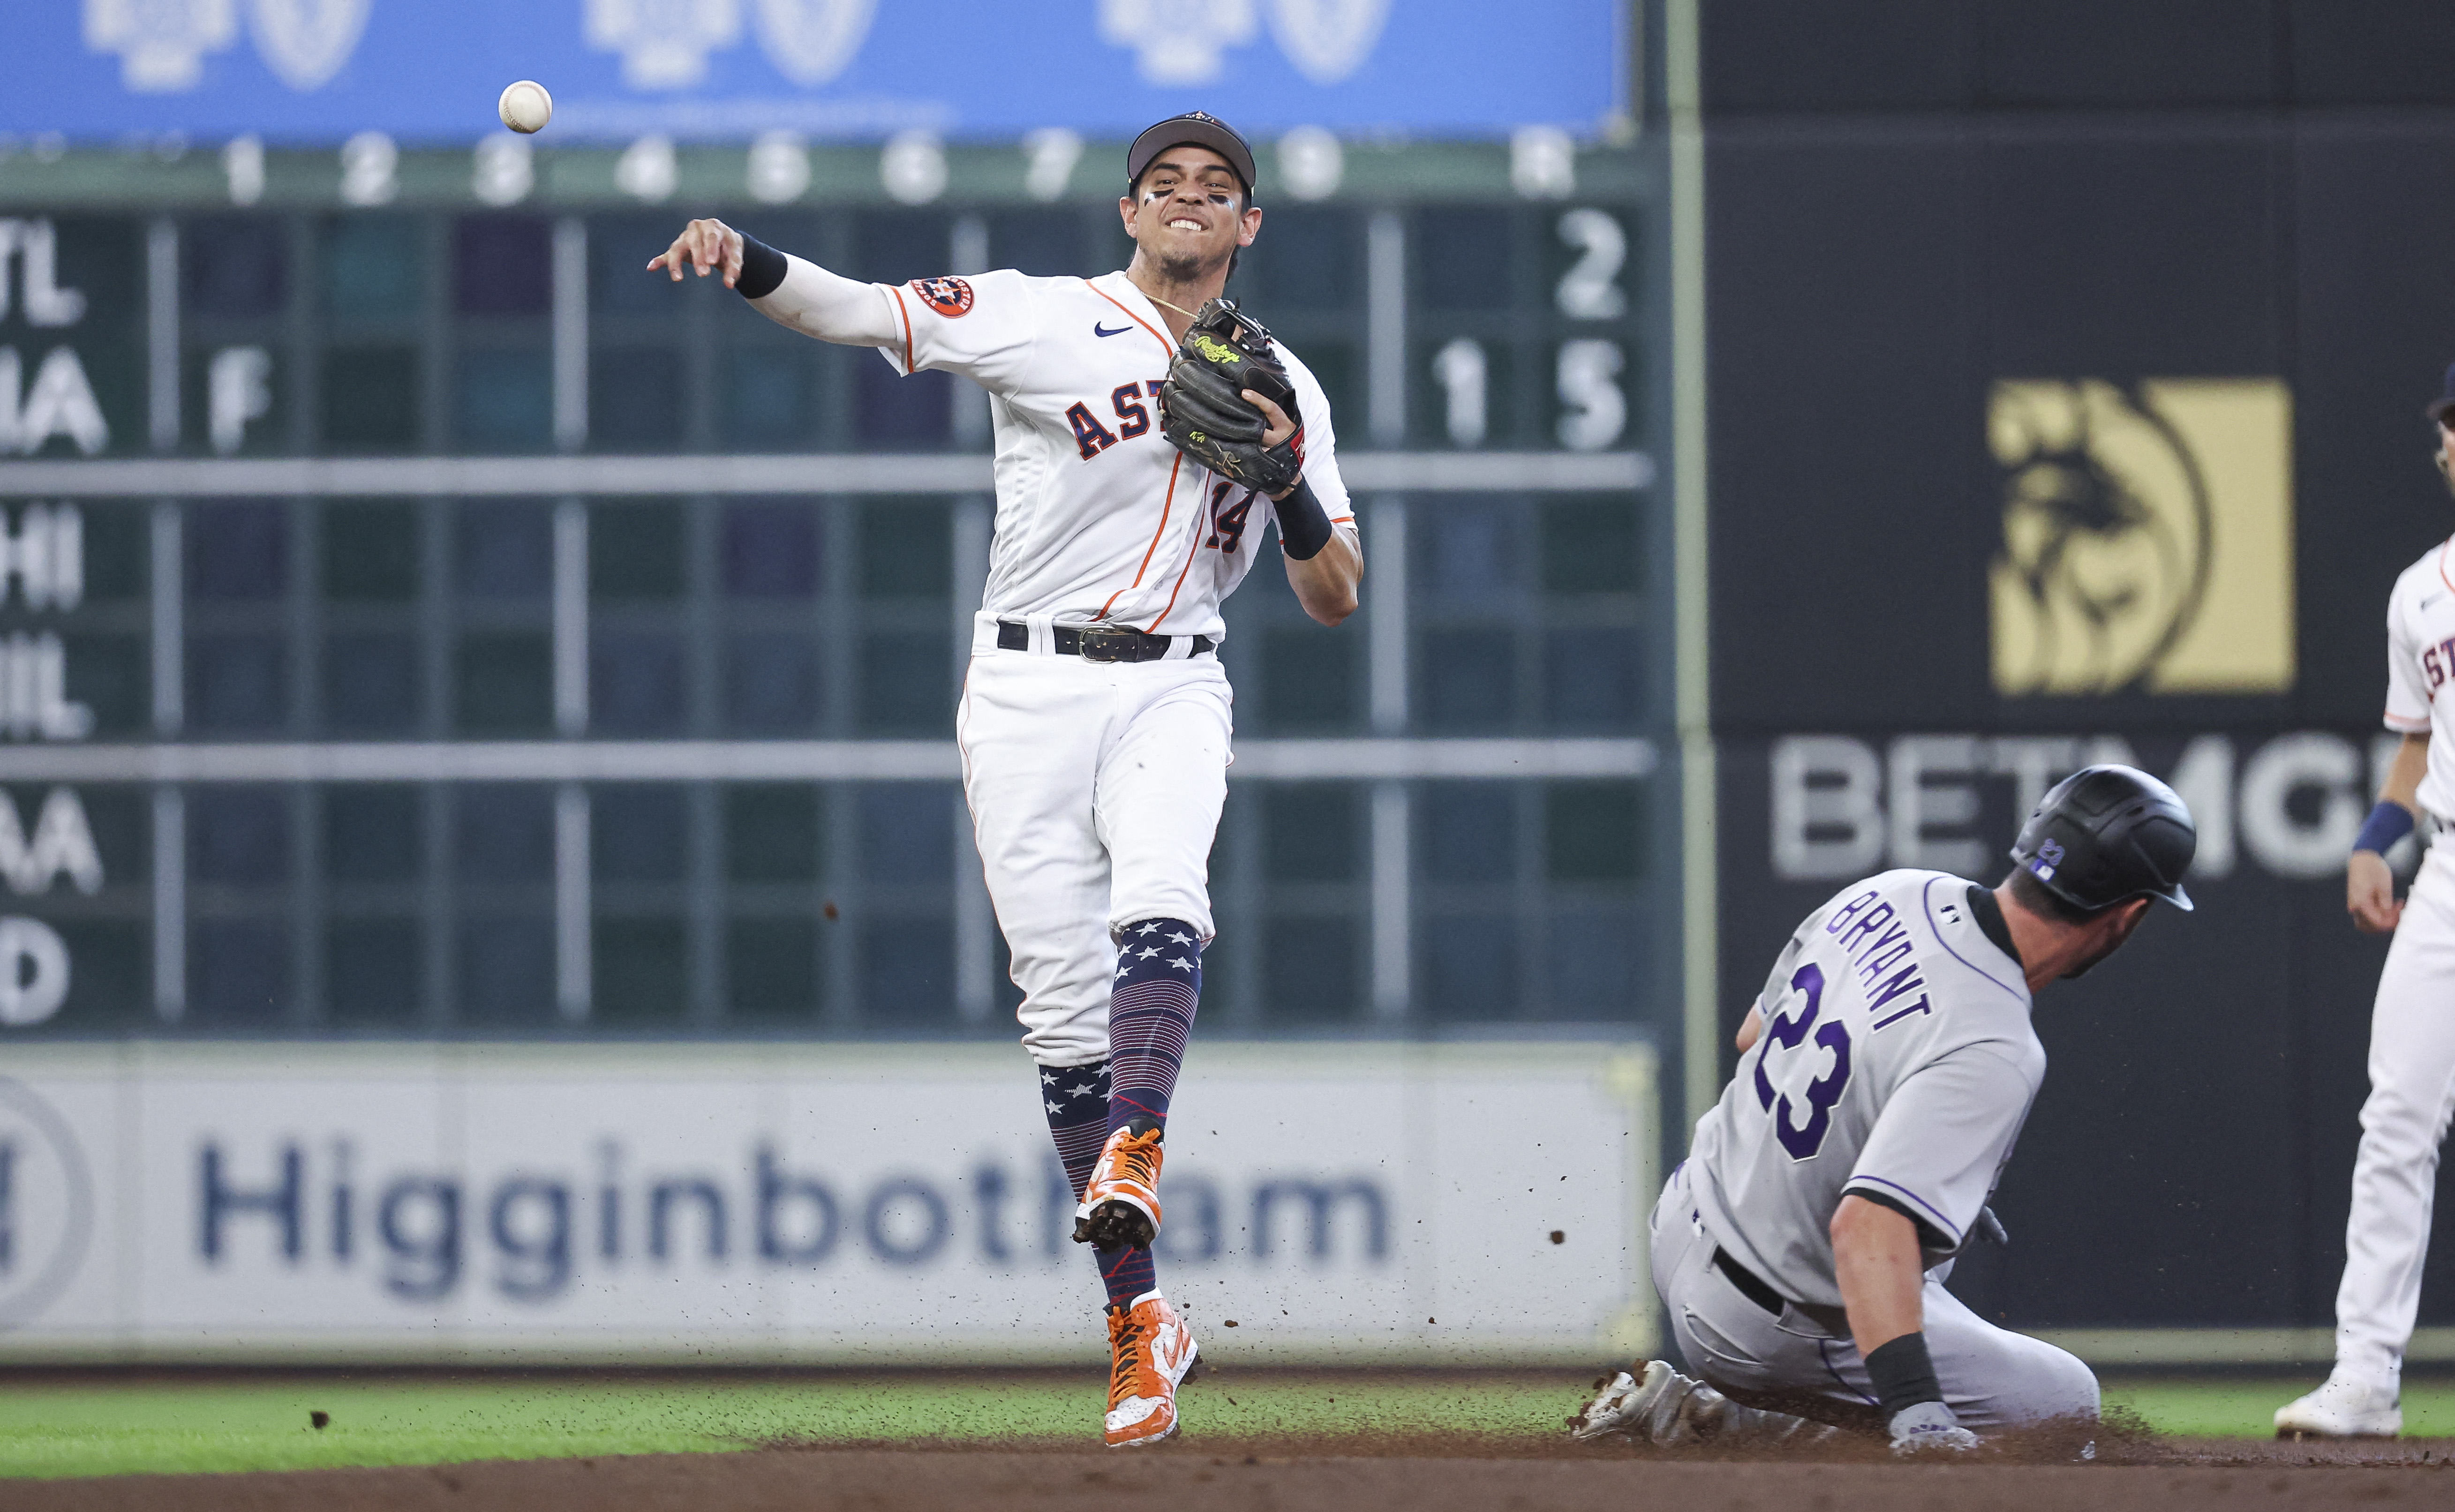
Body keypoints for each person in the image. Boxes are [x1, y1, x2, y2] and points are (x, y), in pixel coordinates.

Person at [648, 112, 1362, 1449]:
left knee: (1162, 889)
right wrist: (743, 255)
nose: (1192, 204)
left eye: (1218, 190)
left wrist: (1289, 487)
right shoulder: (1044, 318)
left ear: (1249, 224)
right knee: (1056, 1012)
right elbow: (858, 312)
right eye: (1167, 187)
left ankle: (1133, 1156)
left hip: (1171, 674)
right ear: (1129, 212)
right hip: (1023, 687)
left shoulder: (1289, 388)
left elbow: (1335, 596)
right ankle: (1139, 1327)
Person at [1573, 766, 2196, 1454]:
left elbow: (1755, 1035)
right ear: (2130, 913)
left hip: (1682, 1220)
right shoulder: (1997, 1043)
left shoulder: (1893, 891)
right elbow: (1866, 1228)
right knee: (2063, 1404)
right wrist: (1917, 1412)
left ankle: (1699, 1407)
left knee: (1919, 1248)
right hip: (1758, 1328)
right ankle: (1724, 1414)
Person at [2274, 363, 2455, 1441]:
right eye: (2444, 427)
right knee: (2393, 1115)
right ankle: (2363, 1377)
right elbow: (2417, 743)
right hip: (2448, 871)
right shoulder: (2418, 590)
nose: (2444, 444)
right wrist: (2375, 841)